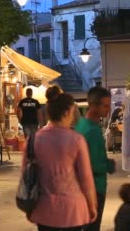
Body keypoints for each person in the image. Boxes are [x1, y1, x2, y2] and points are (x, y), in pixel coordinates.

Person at [25, 93, 97, 231]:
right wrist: (92, 205)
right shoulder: (77, 140)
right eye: (72, 112)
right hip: (72, 211)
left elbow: (27, 175)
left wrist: (29, 207)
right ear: (66, 112)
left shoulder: (33, 139)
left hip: (44, 209)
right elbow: (86, 178)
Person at [74, 86, 116, 231]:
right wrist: (108, 165)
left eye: (109, 105)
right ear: (92, 105)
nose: (108, 109)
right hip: (93, 188)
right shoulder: (90, 129)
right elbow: (90, 164)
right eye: (105, 105)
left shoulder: (84, 124)